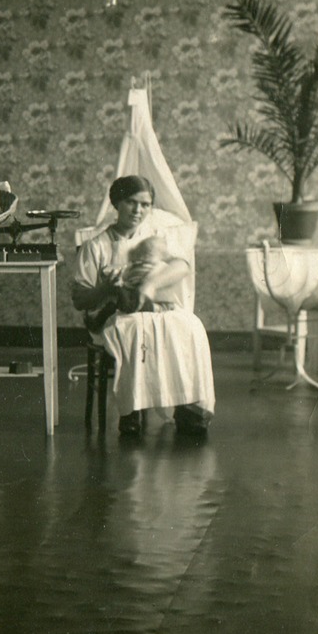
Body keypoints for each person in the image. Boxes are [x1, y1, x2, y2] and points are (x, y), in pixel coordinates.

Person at [71, 174, 214, 437]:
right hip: (111, 316)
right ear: (116, 203)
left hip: (151, 309)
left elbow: (181, 265)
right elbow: (79, 298)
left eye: (145, 204)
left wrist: (150, 284)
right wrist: (106, 288)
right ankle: (131, 411)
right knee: (136, 329)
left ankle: (188, 406)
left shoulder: (154, 240)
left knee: (190, 325)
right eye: (131, 202)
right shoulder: (97, 246)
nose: (138, 210)